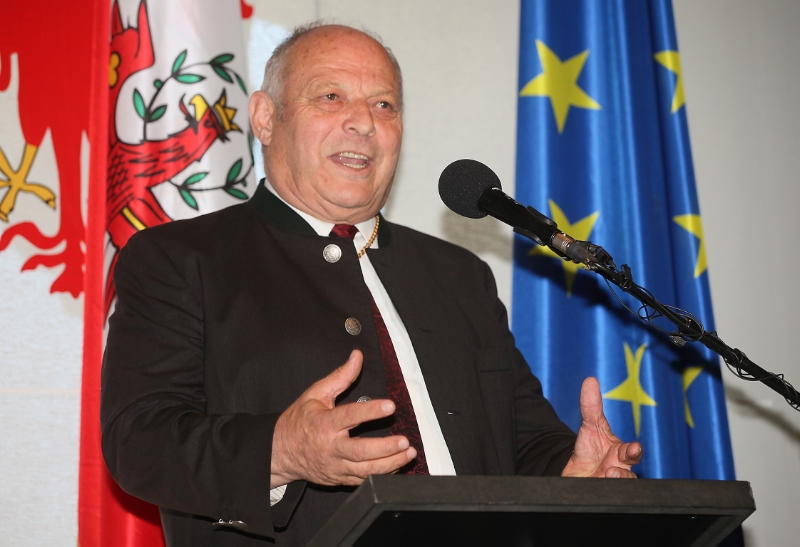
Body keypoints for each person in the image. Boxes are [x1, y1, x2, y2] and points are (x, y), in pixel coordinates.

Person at [101, 23, 642, 547]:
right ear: (265, 118)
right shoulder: (180, 259)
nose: (363, 122)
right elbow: (138, 439)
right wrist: (281, 450)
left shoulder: (459, 273)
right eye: (330, 97)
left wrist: (572, 470)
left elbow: (520, 440)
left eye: (384, 105)